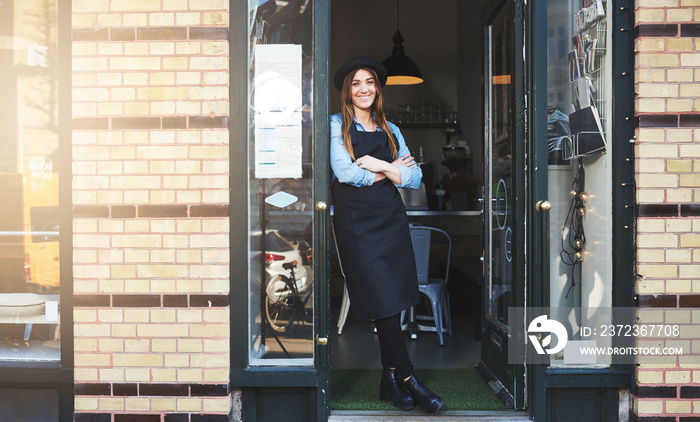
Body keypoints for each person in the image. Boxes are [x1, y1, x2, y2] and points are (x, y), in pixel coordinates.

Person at [330, 56, 443, 414]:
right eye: (356, 84)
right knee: (381, 296)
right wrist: (390, 171)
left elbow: (415, 179)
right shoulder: (336, 125)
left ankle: (389, 379)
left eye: (370, 83)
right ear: (348, 91)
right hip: (356, 224)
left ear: (377, 89)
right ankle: (407, 377)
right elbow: (345, 173)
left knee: (392, 298)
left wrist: (379, 164)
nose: (364, 89)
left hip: (390, 220)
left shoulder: (392, 129)